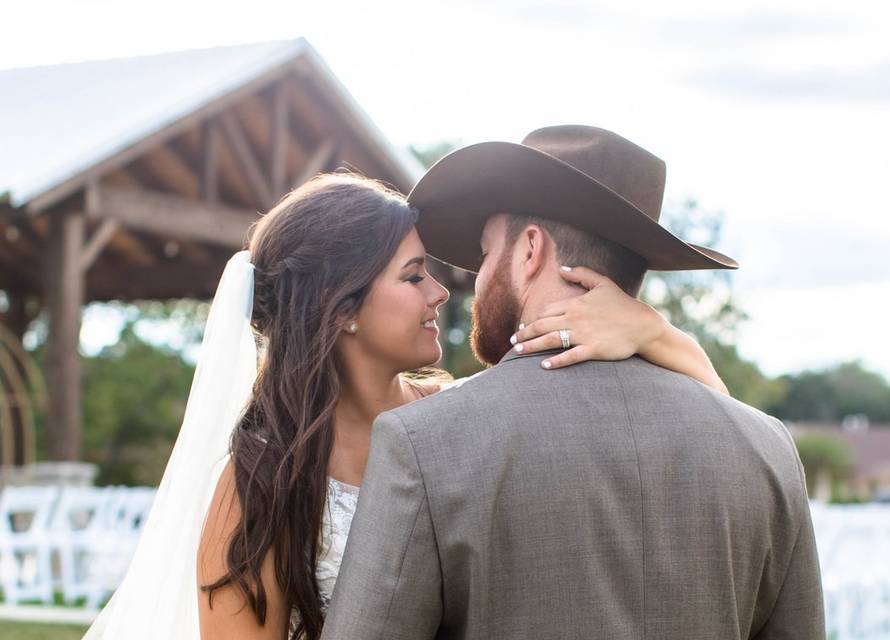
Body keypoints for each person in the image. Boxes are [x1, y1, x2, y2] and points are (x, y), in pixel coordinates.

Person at [82, 171, 729, 640]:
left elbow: (726, 432)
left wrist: (653, 331)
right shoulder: (261, 481)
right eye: (413, 274)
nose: (440, 293)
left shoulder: (458, 419)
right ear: (343, 309)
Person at [320, 126, 825, 639]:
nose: (474, 281)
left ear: (530, 251)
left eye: (487, 252)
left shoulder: (423, 443)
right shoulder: (767, 448)